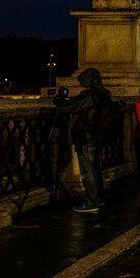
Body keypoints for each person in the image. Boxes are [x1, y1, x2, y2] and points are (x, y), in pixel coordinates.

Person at [54, 68, 114, 214]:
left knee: (88, 171)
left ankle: (92, 202)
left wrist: (59, 100)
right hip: (98, 136)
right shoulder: (104, 94)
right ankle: (98, 199)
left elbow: (68, 107)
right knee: (96, 169)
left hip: (87, 136)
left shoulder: (90, 96)